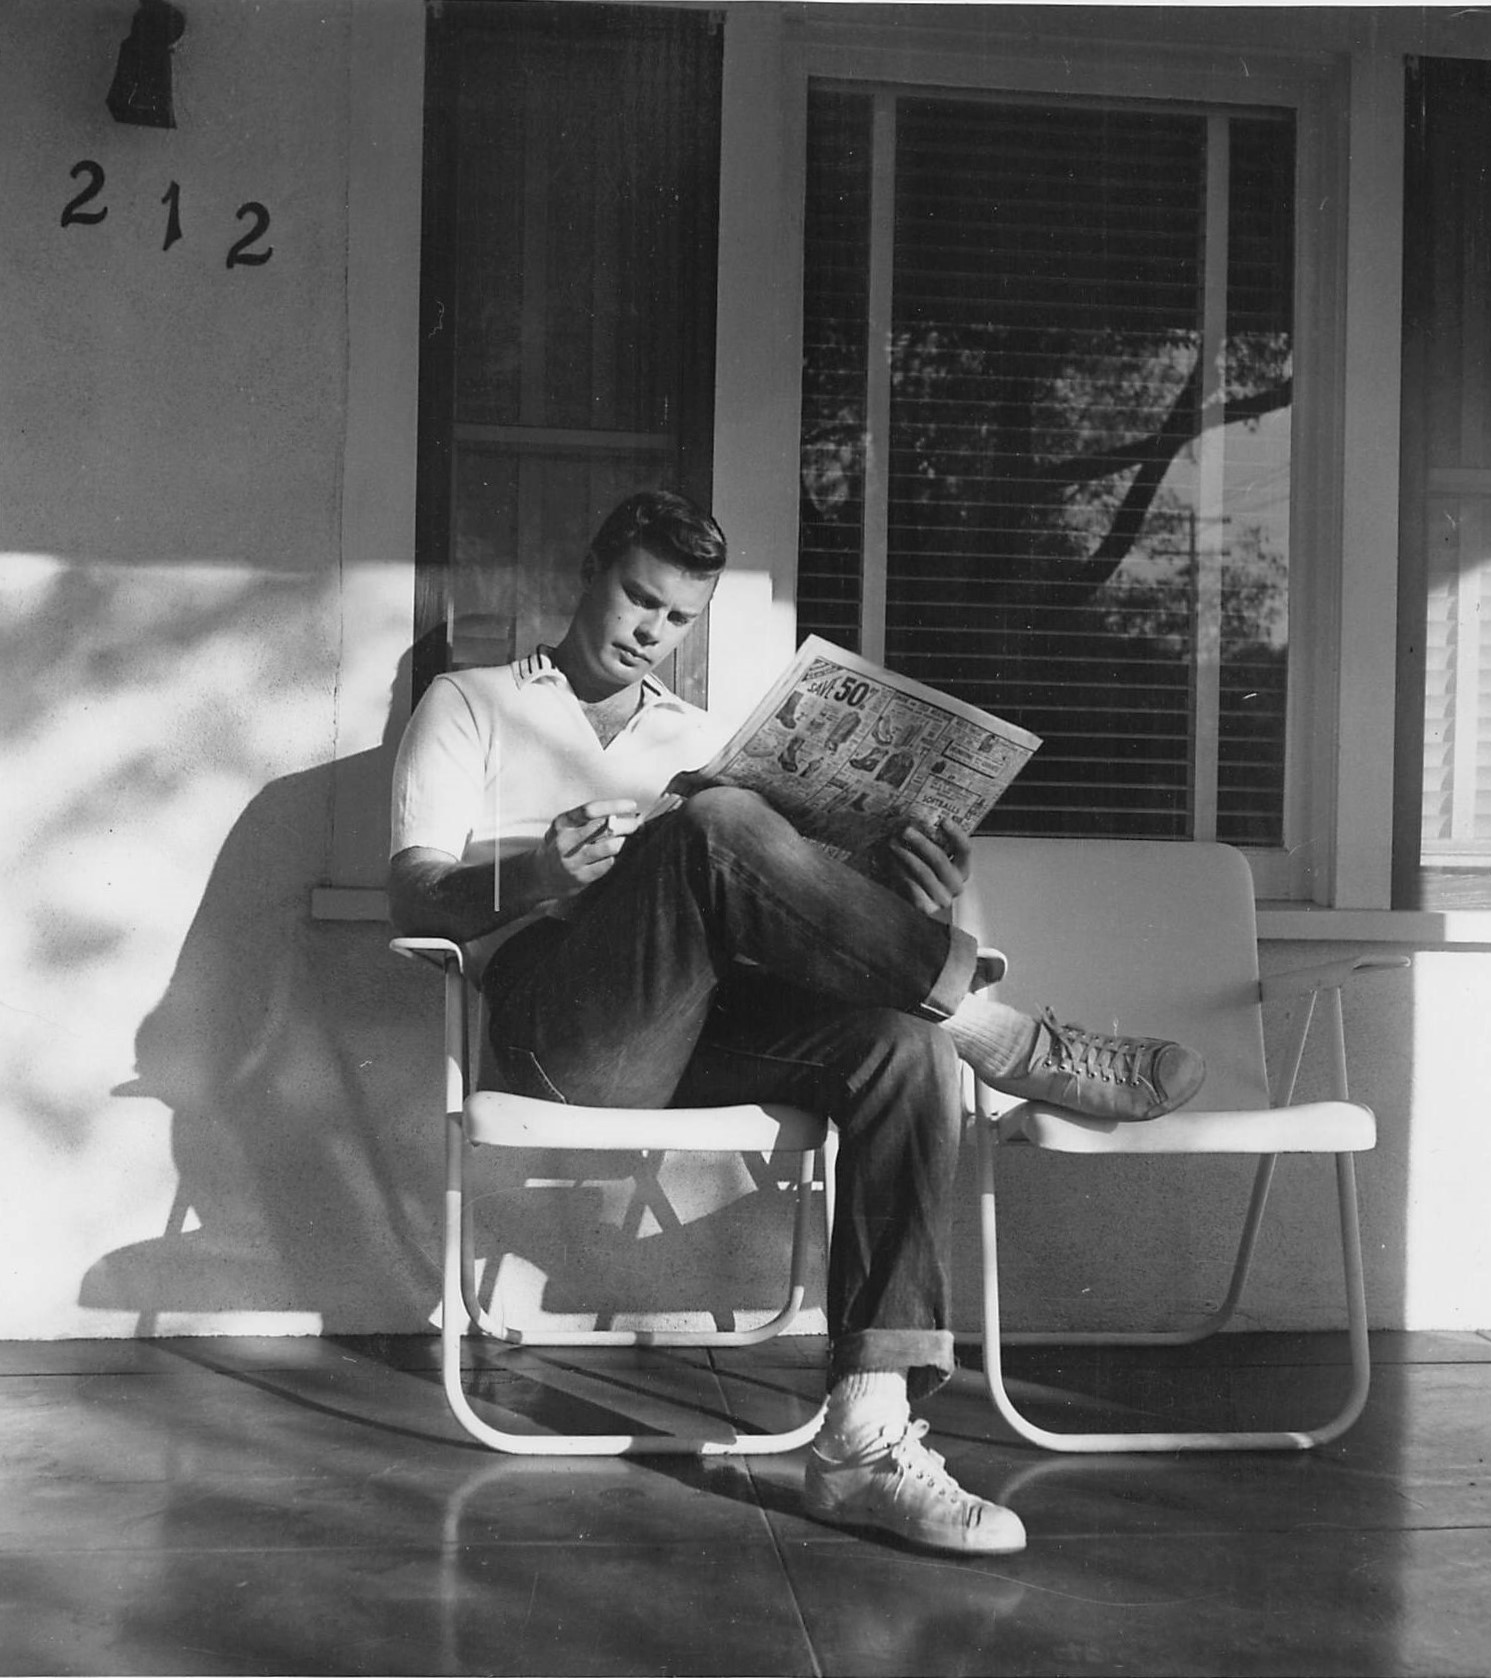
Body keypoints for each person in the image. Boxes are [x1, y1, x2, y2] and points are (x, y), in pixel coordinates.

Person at [389, 488, 1206, 1557]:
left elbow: (786, 918)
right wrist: (535, 871)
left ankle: (863, 1442)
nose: (652, 634)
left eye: (679, 619)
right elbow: (412, 896)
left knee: (900, 1046)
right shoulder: (470, 700)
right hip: (558, 1029)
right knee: (712, 826)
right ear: (590, 571)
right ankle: (1007, 1036)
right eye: (639, 599)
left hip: (699, 1019)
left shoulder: (694, 734)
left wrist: (916, 891)